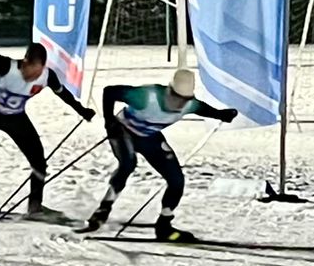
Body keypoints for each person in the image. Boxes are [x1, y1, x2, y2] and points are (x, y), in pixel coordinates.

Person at [82, 67, 237, 241]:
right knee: (128, 164)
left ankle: (164, 225)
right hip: (123, 131)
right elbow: (110, 91)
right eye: (176, 97)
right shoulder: (146, 97)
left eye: (184, 99)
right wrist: (109, 121)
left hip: (150, 137)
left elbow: (204, 110)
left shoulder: (190, 104)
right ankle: (103, 209)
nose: (179, 103)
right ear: (168, 90)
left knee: (176, 180)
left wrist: (221, 114)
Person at [0, 42, 94, 217]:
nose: (33, 76)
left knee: (39, 162)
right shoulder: (6, 65)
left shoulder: (47, 76)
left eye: (38, 71)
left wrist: (82, 111)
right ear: (24, 62)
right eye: (31, 70)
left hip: (15, 118)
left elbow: (63, 93)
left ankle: (35, 206)